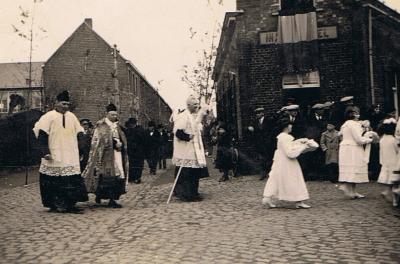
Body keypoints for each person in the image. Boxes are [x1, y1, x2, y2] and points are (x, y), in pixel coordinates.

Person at [33, 90, 88, 213]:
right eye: (63, 104)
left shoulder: (72, 116)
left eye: (67, 104)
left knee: (70, 180)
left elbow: (80, 132)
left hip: (70, 155)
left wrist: (81, 147)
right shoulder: (48, 117)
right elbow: (42, 136)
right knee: (53, 182)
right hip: (54, 155)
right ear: (56, 103)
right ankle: (55, 204)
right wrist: (45, 152)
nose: (66, 107)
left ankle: (69, 204)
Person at [262, 117, 318, 209]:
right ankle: (299, 200)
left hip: (280, 161)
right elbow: (290, 153)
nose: (291, 126)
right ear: (286, 126)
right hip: (287, 162)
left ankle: (267, 198)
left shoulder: (281, 137)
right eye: (290, 125)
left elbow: (287, 148)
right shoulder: (286, 137)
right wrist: (303, 146)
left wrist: (298, 143)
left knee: (276, 178)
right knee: (294, 178)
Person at [82, 103, 128, 208]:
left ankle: (111, 197)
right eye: (112, 115)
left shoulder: (117, 126)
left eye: (115, 115)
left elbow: (123, 137)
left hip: (117, 154)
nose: (114, 117)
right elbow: (100, 140)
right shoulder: (101, 125)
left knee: (116, 176)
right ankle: (104, 197)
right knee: (106, 177)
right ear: (106, 114)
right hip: (104, 157)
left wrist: (121, 144)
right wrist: (114, 143)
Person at [172, 95, 209, 202]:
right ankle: (186, 194)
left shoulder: (194, 116)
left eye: (198, 104)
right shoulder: (183, 116)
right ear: (188, 105)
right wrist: (188, 136)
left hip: (194, 150)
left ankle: (194, 193)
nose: (197, 106)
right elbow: (177, 132)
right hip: (185, 150)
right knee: (186, 174)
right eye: (195, 104)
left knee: (194, 173)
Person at [338, 106, 377, 199]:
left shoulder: (346, 124)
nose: (358, 114)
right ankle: (346, 187)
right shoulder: (352, 124)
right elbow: (358, 140)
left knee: (353, 169)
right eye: (356, 112)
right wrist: (370, 139)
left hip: (347, 147)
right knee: (353, 168)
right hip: (352, 148)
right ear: (352, 114)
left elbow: (340, 135)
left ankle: (353, 191)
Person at [377, 118, 399, 207]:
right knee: (395, 183)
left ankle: (387, 192)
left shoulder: (382, 139)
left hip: (385, 162)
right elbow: (397, 150)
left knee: (390, 182)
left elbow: (381, 152)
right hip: (394, 162)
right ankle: (394, 200)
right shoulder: (393, 140)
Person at [248, 107, 273, 180]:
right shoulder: (255, 122)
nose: (257, 115)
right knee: (261, 159)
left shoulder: (268, 120)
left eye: (259, 113)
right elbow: (250, 129)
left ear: (263, 113)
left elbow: (271, 131)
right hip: (259, 143)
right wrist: (249, 128)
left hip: (267, 143)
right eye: (256, 113)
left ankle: (270, 173)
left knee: (269, 158)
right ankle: (263, 173)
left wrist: (269, 140)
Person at [125, 117, 147, 184]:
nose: (131, 126)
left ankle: (137, 178)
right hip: (131, 151)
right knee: (132, 165)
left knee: (138, 166)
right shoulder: (129, 130)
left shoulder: (139, 130)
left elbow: (143, 140)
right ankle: (132, 178)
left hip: (138, 151)